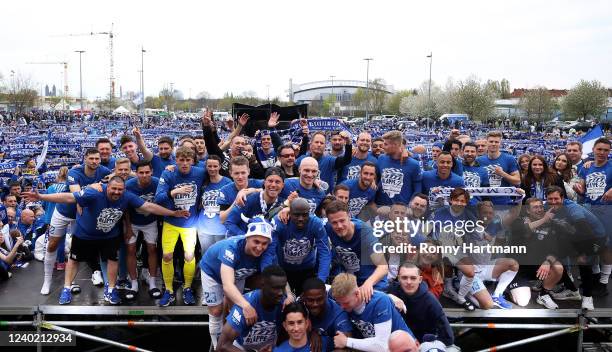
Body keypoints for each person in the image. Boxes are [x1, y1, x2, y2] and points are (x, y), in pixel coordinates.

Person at [21, 176, 189, 305]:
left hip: (108, 235)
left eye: (120, 190)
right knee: (74, 260)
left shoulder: (127, 196)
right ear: (107, 186)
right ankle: (66, 288)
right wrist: (41, 196)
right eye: (114, 189)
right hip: (85, 234)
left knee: (112, 260)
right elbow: (69, 197)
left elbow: (148, 207)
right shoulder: (94, 192)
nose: (117, 192)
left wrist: (172, 213)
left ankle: (111, 289)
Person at [40, 148, 111, 295]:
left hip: (81, 215)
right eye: (91, 158)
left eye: (97, 159)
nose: (94, 161)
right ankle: (47, 280)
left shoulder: (104, 170)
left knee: (75, 249)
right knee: (52, 245)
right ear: (85, 158)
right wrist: (92, 186)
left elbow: (118, 174)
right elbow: (77, 195)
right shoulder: (74, 172)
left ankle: (71, 282)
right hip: (63, 212)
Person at [199, 218, 276, 349]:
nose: (259, 247)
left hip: (238, 274)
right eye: (256, 241)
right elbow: (228, 286)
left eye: (264, 243)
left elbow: (276, 275)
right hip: (212, 272)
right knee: (217, 311)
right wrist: (247, 306)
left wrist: (289, 294)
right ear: (247, 238)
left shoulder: (266, 251)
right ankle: (217, 345)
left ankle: (231, 341)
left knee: (234, 310)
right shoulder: (232, 247)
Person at [154, 146, 207, 306]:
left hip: (190, 224)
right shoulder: (168, 173)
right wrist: (174, 192)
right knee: (167, 256)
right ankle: (169, 290)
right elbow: (158, 199)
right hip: (171, 222)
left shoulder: (200, 172)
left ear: (192, 161)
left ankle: (188, 288)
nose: (184, 163)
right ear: (175, 160)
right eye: (181, 160)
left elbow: (216, 169)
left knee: (189, 256)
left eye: (187, 160)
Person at [546, 186, 607, 310]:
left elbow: (587, 233)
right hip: (576, 237)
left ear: (562, 198)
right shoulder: (551, 207)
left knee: (583, 261)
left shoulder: (573, 209)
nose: (553, 202)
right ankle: (572, 291)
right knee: (553, 256)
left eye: (556, 199)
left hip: (595, 239)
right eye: (550, 199)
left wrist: (583, 253)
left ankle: (588, 298)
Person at [263, 198, 331, 294]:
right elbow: (269, 252)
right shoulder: (280, 222)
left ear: (309, 213)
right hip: (283, 269)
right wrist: (267, 278)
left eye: (304, 215)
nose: (300, 219)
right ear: (290, 213)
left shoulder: (315, 223)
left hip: (307, 269)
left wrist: (321, 281)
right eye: (296, 215)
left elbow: (325, 253)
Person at [331, 273, 413, 352]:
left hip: (406, 348)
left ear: (357, 293)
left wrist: (346, 341)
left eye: (346, 303)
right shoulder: (346, 300)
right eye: (339, 303)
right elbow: (322, 287)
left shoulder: (379, 301)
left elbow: (382, 346)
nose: (342, 307)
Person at [217, 265, 289, 352]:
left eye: (282, 287)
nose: (281, 293)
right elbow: (222, 346)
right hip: (241, 347)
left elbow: (287, 338)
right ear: (262, 286)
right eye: (276, 288)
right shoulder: (244, 307)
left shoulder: (285, 303)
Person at [326, 200, 388, 298]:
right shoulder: (328, 228)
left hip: (373, 282)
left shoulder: (365, 232)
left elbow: (383, 267)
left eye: (342, 220)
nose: (339, 226)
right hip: (350, 282)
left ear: (349, 216)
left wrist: (368, 284)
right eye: (334, 223)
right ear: (329, 222)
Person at [387, 263, 454, 347]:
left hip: (422, 345)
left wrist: (427, 345)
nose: (408, 282)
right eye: (404, 278)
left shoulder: (430, 300)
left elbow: (448, 337)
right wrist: (388, 297)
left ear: (420, 279)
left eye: (413, 278)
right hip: (394, 343)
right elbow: (372, 296)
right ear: (398, 278)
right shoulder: (391, 290)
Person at [124, 161, 161, 298]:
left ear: (151, 172)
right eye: (141, 172)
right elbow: (125, 208)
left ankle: (152, 282)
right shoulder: (129, 185)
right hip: (132, 221)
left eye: (147, 172)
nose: (144, 175)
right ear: (136, 172)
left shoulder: (157, 183)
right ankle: (133, 282)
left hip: (150, 221)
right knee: (131, 249)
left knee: (152, 249)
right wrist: (128, 227)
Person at [224, 167, 286, 237]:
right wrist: (246, 237)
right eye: (270, 181)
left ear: (283, 185)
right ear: (264, 182)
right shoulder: (247, 199)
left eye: (277, 182)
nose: (273, 185)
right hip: (243, 241)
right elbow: (230, 222)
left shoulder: (283, 205)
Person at [300, 277, 353, 352]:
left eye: (319, 299)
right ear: (303, 297)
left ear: (325, 295)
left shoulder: (338, 313)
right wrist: (310, 332)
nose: (315, 304)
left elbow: (347, 346)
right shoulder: (298, 307)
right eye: (310, 300)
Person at [196, 155, 233, 252]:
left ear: (220, 166)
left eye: (215, 166)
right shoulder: (202, 182)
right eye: (210, 166)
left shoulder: (227, 182)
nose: (212, 169)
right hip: (204, 228)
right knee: (206, 256)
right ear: (206, 167)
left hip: (222, 228)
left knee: (220, 258)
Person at [376, 131, 422, 206]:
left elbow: (417, 188)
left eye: (386, 144)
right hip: (382, 208)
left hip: (402, 210)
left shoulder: (413, 164)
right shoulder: (381, 158)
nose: (383, 147)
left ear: (395, 145)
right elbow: (376, 178)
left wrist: (411, 205)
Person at [476, 131, 521, 204]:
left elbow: (517, 181)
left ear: (500, 143)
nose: (493, 144)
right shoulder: (478, 160)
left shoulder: (509, 159)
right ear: (487, 143)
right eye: (491, 141)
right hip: (483, 203)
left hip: (503, 203)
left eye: (496, 142)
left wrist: (502, 174)